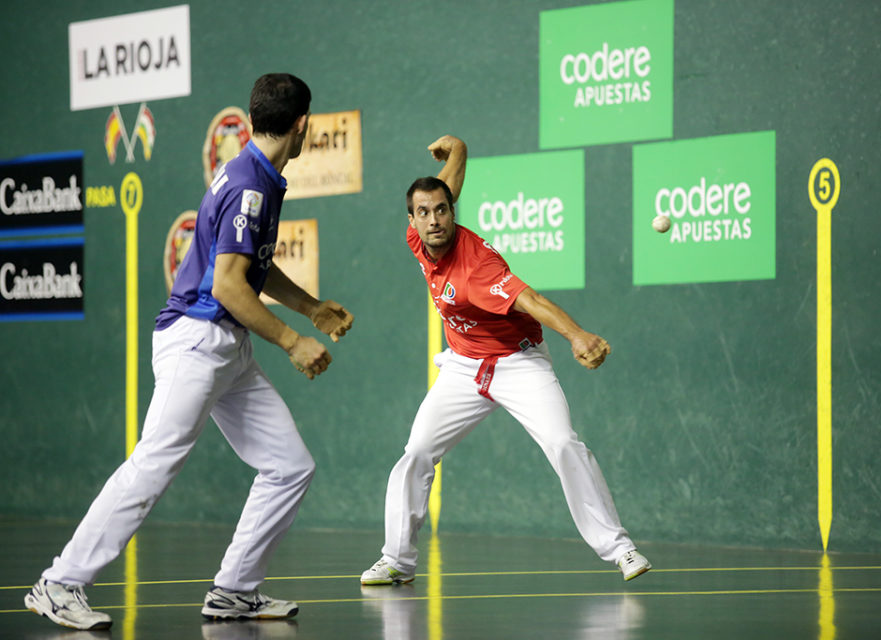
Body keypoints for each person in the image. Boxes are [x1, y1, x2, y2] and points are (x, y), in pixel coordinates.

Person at [24, 73, 354, 631]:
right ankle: (60, 583)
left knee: (289, 466)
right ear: (302, 125)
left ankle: (234, 590)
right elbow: (227, 285)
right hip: (198, 340)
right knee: (154, 463)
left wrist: (311, 308)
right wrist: (294, 341)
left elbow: (254, 266)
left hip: (228, 350)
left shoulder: (258, 174)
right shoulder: (251, 184)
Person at [360, 135, 649, 586]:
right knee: (416, 452)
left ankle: (620, 548)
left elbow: (530, 300)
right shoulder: (420, 239)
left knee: (562, 442)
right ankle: (397, 559)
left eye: (442, 210)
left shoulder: (478, 269)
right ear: (412, 219)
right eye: (424, 212)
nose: (434, 219)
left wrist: (577, 335)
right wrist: (458, 149)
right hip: (462, 366)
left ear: (453, 212)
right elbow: (445, 183)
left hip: (519, 365)